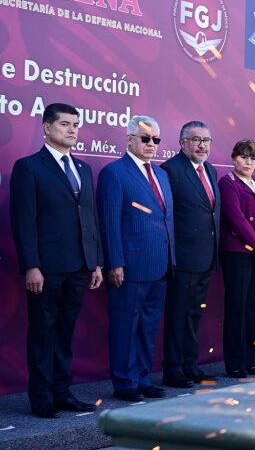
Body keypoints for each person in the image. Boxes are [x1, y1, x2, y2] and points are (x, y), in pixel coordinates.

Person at [9, 103, 103, 418]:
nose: (72, 129)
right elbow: (24, 220)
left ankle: (62, 393)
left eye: (76, 124)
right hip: (46, 268)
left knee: (65, 332)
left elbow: (90, 218)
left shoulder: (84, 169)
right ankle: (41, 399)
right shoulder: (29, 167)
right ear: (47, 128)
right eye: (65, 124)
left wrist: (96, 262)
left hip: (79, 266)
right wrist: (31, 265)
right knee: (42, 333)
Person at [98, 115, 174, 401]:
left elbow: (167, 219)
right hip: (129, 266)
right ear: (129, 139)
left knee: (148, 327)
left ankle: (143, 377)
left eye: (156, 139)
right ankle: (125, 382)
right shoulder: (114, 172)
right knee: (125, 326)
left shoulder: (162, 175)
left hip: (161, 265)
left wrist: (172, 257)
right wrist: (115, 262)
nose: (152, 144)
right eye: (146, 138)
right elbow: (109, 221)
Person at [160, 121, 220, 387]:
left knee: (194, 313)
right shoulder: (170, 170)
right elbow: (167, 217)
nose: (202, 145)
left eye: (206, 140)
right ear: (182, 143)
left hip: (206, 257)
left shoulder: (210, 170)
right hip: (182, 258)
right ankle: (172, 370)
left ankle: (190, 365)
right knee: (177, 314)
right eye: (196, 140)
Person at [218, 139, 255, 378]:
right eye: (244, 157)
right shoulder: (228, 183)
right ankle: (234, 363)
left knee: (252, 308)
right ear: (234, 158)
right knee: (237, 308)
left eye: (252, 158)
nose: (248, 162)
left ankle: (249, 359)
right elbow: (236, 219)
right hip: (238, 253)